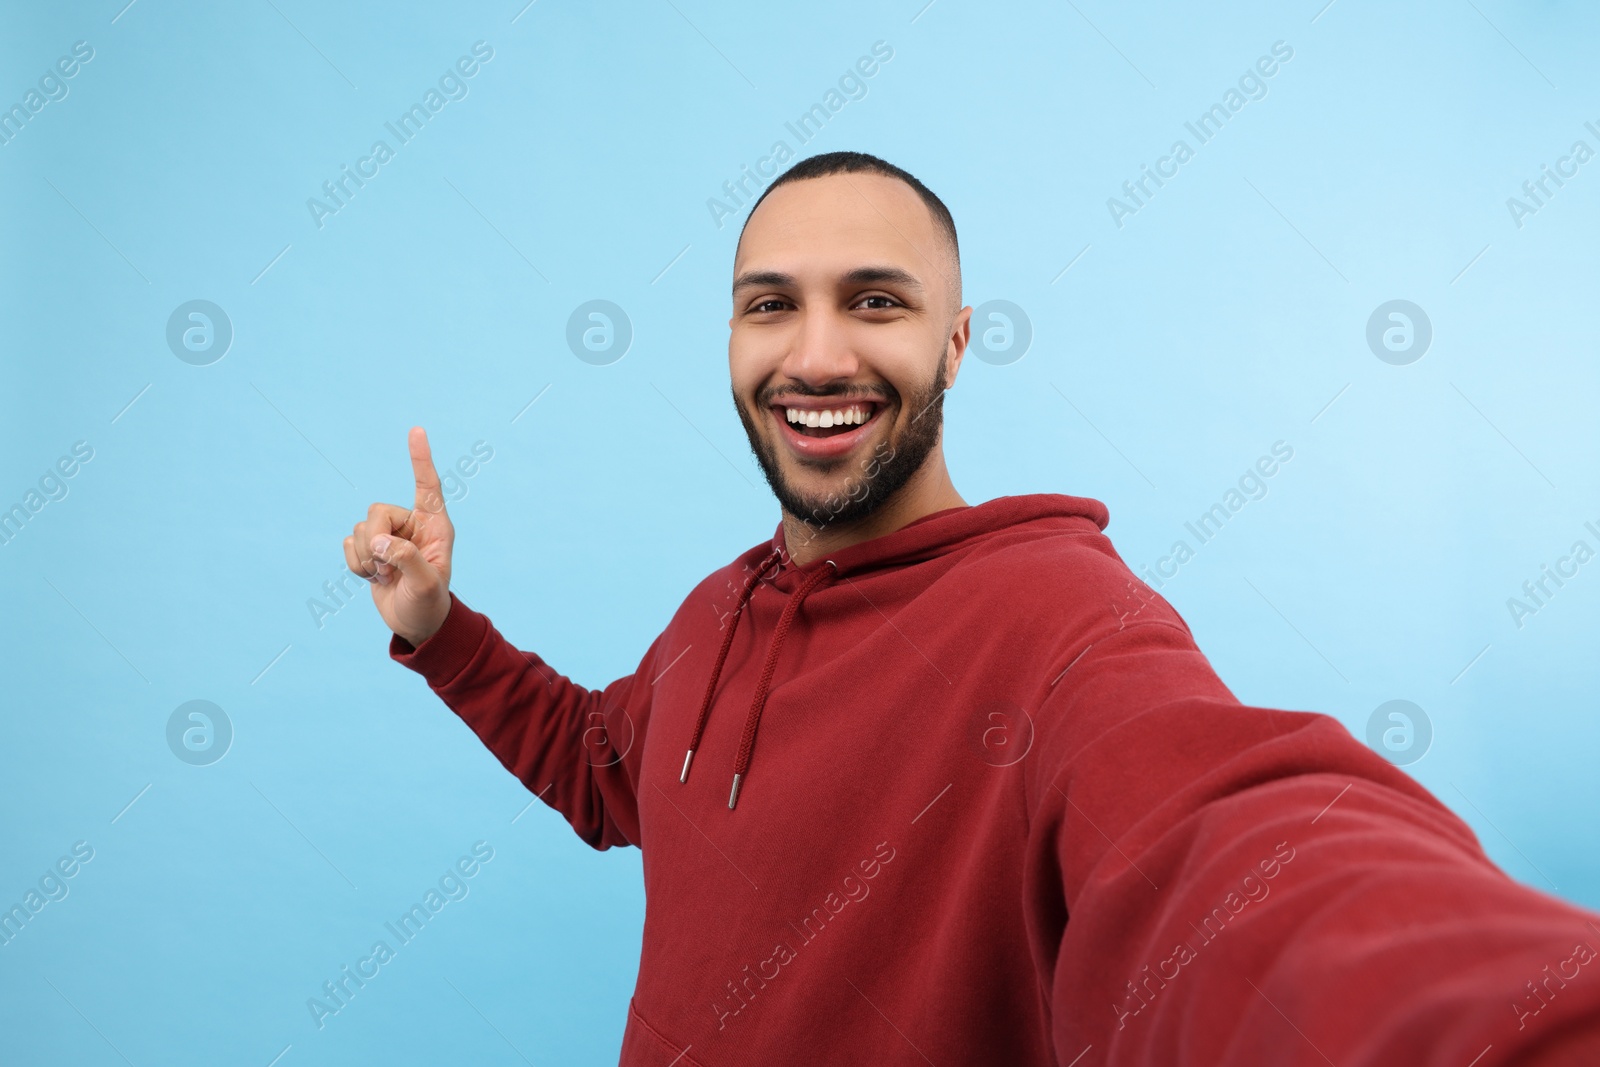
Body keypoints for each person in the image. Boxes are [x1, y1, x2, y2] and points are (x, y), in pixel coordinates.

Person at [344, 151, 1600, 1065]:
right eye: (771, 303)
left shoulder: (1061, 622)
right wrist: (439, 624)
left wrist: (1515, 1012)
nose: (818, 355)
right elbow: (605, 765)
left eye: (876, 301)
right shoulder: (717, 608)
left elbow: (1220, 845)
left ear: (955, 344)